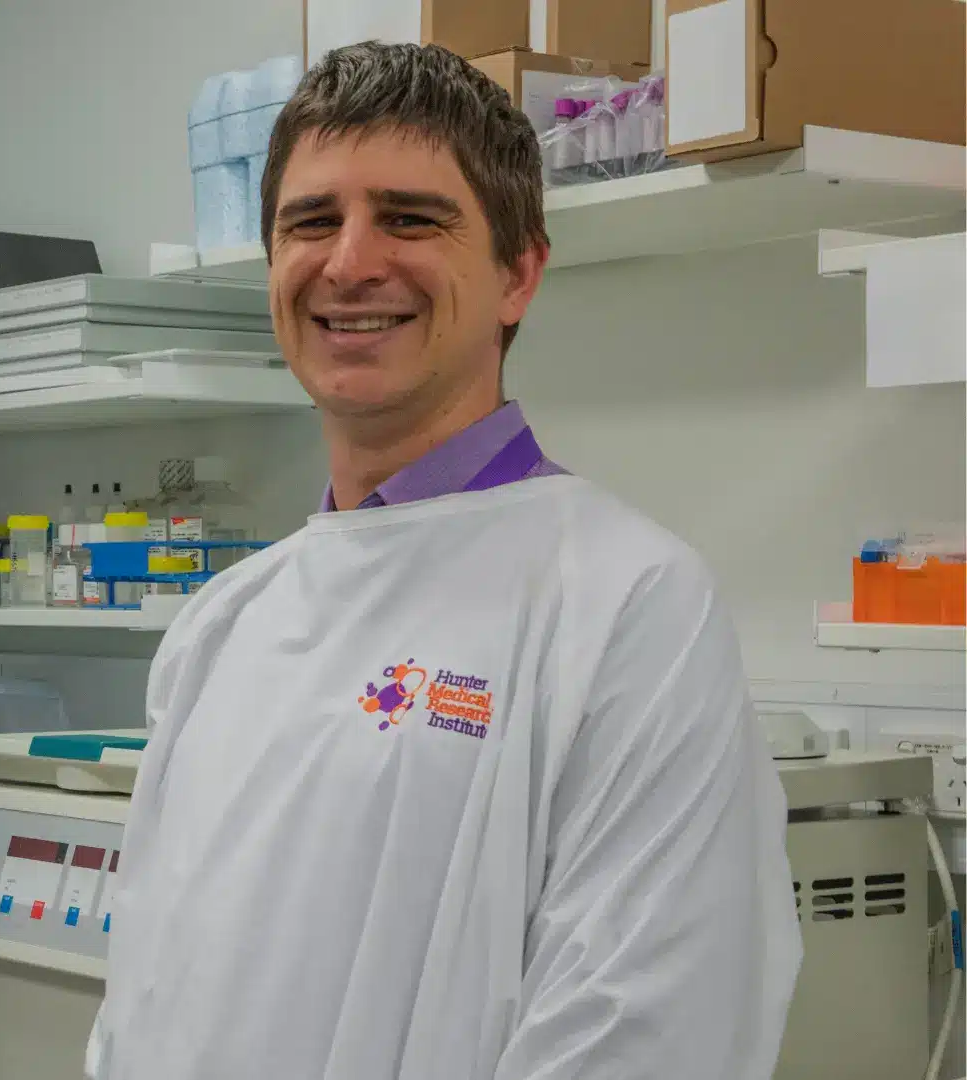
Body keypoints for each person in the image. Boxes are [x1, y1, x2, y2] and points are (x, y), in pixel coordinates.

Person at [88, 43, 799, 1079]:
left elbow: (644, 1029)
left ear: (519, 274)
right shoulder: (220, 624)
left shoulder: (628, 603)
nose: (349, 263)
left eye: (410, 219)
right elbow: (141, 1008)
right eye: (311, 221)